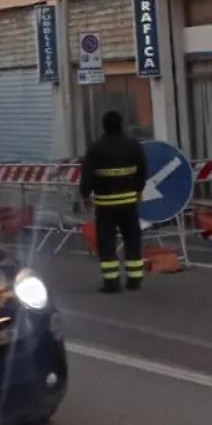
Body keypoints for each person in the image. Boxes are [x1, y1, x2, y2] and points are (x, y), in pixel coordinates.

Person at [79, 111, 148, 293]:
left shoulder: (96, 148)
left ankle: (111, 282)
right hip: (129, 202)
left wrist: (85, 195)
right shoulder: (133, 145)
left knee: (107, 243)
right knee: (132, 239)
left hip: (105, 204)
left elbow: (87, 174)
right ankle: (134, 280)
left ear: (104, 126)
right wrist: (138, 189)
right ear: (121, 125)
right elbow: (142, 170)